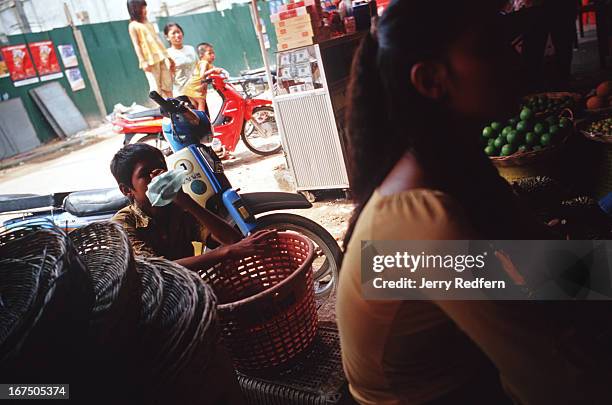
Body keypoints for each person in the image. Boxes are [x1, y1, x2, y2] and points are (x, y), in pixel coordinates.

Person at [337, 1, 612, 404]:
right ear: (431, 80)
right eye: (488, 46)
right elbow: (548, 379)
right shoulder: (421, 220)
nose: (515, 57)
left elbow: (541, 260)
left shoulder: (457, 165)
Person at [110, 143, 275, 270]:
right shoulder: (122, 224)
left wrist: (187, 201)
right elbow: (157, 269)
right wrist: (227, 252)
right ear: (126, 190)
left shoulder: (177, 208)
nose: (158, 177)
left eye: (161, 169)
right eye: (146, 174)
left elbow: (230, 239)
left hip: (189, 289)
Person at [127, 0, 175, 98]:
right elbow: (137, 45)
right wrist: (143, 61)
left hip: (160, 57)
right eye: (142, 8)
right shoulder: (133, 26)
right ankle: (161, 110)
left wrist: (168, 57)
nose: (145, 10)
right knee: (156, 88)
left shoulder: (148, 22)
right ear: (135, 9)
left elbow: (157, 40)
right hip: (149, 61)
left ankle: (172, 108)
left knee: (167, 85)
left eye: (145, 7)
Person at [182, 42, 223, 112]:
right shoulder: (203, 63)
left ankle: (196, 120)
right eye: (210, 53)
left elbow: (215, 72)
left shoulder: (209, 65)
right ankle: (202, 119)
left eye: (213, 53)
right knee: (201, 102)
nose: (213, 55)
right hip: (194, 89)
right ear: (201, 55)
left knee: (195, 108)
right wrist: (213, 70)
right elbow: (202, 75)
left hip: (192, 89)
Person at [164, 23, 198, 97]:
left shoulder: (190, 49)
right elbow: (167, 77)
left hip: (197, 91)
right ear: (167, 37)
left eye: (178, 32)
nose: (177, 35)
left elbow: (198, 67)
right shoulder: (167, 54)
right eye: (173, 33)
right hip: (181, 94)